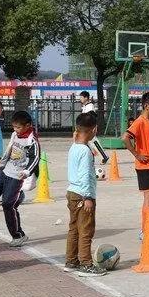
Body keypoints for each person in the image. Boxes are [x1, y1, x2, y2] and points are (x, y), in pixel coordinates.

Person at [0, 111, 39, 247]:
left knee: (8, 204)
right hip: (4, 172)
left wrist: (26, 171)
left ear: (28, 125)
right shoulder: (14, 135)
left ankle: (18, 235)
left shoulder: (32, 139)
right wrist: (0, 166)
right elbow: (9, 150)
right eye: (14, 127)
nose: (15, 130)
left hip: (17, 177)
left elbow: (35, 158)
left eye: (18, 127)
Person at [65, 112, 104, 276]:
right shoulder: (86, 151)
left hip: (72, 192)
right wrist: (88, 197)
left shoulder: (74, 147)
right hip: (82, 195)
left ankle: (71, 261)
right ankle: (86, 264)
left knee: (74, 229)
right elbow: (85, 176)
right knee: (86, 230)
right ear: (93, 130)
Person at [122, 91, 149, 240]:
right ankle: (145, 231)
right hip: (144, 166)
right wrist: (137, 154)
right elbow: (125, 137)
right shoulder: (139, 122)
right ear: (146, 106)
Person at [79, 91, 109, 164]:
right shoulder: (85, 106)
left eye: (81, 97)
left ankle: (104, 156)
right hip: (85, 128)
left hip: (89, 128)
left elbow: (91, 116)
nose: (80, 99)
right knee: (88, 144)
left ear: (86, 97)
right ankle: (89, 158)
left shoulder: (90, 106)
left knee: (94, 142)